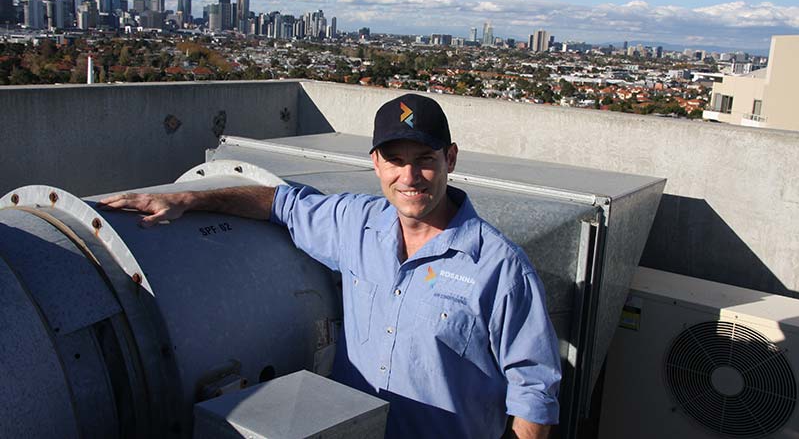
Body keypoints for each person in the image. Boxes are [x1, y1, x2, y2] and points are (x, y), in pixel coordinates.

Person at [100, 93, 561, 439]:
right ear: (376, 163)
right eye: (395, 161)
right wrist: (186, 199)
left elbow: (534, 394)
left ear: (450, 160)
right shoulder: (356, 224)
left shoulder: (499, 267)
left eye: (425, 160)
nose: (409, 177)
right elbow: (278, 203)